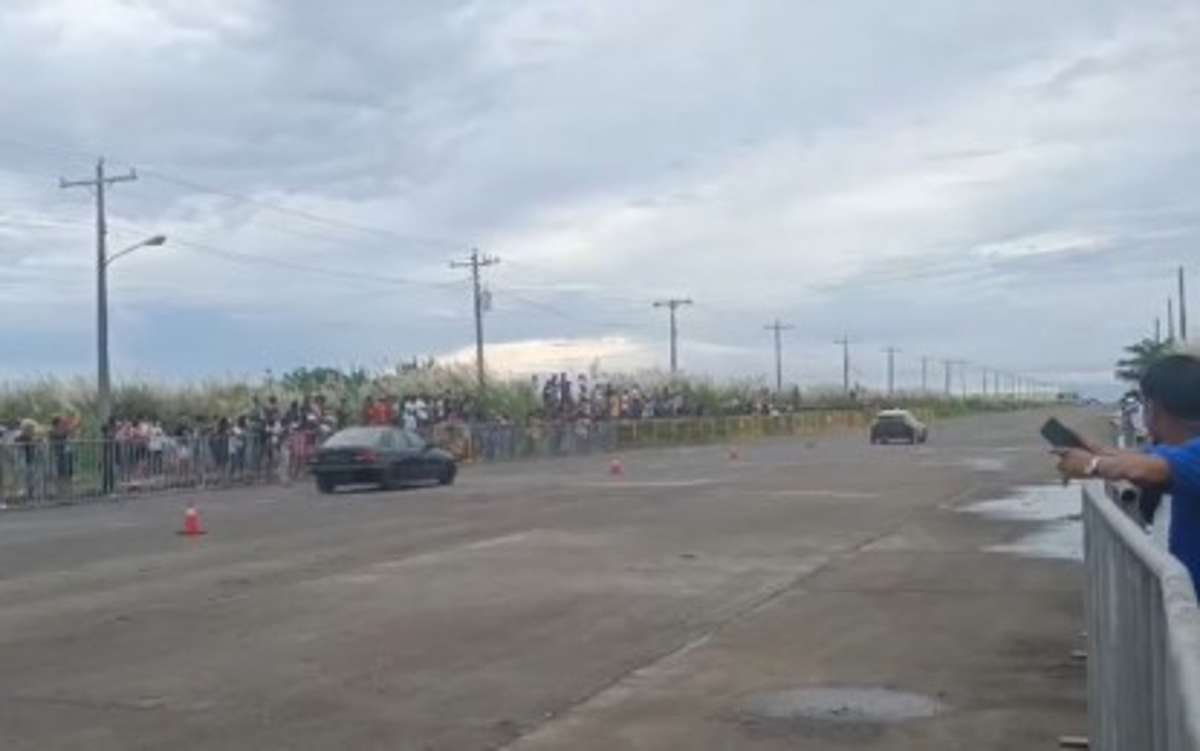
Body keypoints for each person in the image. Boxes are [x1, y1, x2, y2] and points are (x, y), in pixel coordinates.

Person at [1055, 353, 1200, 595]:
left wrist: (1092, 464)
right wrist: (1095, 450)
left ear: (1156, 407)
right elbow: (1140, 458)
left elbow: (1144, 468)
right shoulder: (1180, 449)